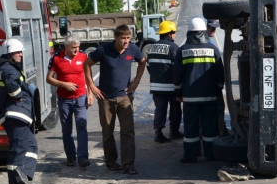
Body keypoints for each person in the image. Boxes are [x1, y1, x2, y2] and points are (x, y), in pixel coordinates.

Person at [84, 24, 146, 175]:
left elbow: (142, 61)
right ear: (116, 38)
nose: (126, 41)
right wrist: (92, 86)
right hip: (106, 99)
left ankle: (128, 165)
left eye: (128, 38)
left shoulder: (132, 49)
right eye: (123, 38)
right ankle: (111, 162)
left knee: (128, 132)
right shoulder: (103, 50)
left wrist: (136, 81)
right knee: (108, 132)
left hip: (125, 97)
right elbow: (86, 64)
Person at [174, 17, 225, 163]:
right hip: (210, 96)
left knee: (191, 127)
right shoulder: (212, 49)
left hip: (189, 98)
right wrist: (218, 89)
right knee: (210, 126)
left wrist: (178, 93)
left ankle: (191, 155)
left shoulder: (183, 50)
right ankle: (211, 154)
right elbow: (219, 74)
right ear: (204, 32)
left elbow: (177, 74)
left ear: (190, 32)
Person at [0, 37, 38, 184]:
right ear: (9, 53)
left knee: (30, 145)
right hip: (15, 113)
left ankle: (23, 178)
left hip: (13, 114)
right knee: (19, 146)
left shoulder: (3, 66)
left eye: (20, 52)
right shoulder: (8, 69)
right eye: (17, 52)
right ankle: (20, 173)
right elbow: (13, 87)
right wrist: (19, 95)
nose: (20, 55)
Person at [47, 35, 94, 168]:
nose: (77, 50)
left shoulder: (83, 56)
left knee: (81, 126)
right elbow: (49, 79)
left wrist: (90, 94)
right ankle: (70, 156)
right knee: (66, 130)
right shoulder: (56, 58)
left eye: (78, 47)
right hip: (64, 100)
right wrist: (63, 84)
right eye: (74, 47)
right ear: (66, 47)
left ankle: (83, 157)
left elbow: (88, 76)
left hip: (81, 97)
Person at [148, 20, 183, 143]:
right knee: (175, 109)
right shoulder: (173, 48)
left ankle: (158, 133)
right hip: (171, 87)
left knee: (160, 109)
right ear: (169, 34)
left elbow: (149, 67)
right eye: (174, 33)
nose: (175, 35)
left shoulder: (152, 47)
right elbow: (178, 69)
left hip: (156, 87)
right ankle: (174, 131)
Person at [206, 19, 228, 137]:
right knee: (219, 107)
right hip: (212, 86)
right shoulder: (210, 46)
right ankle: (221, 132)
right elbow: (218, 68)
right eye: (212, 27)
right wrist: (220, 85)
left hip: (200, 87)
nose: (214, 29)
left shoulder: (209, 43)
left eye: (215, 27)